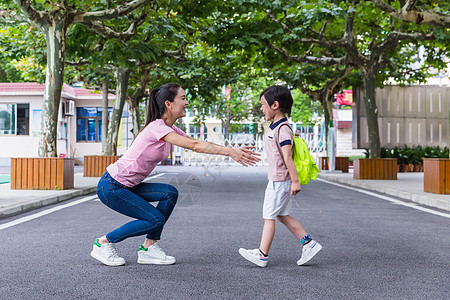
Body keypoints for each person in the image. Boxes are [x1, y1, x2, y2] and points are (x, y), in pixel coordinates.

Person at [91, 83, 260, 266]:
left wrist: (231, 150)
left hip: (128, 185)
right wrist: (230, 152)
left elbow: (195, 142)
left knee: (169, 193)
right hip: (112, 186)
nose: (187, 103)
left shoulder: (168, 129)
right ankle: (103, 243)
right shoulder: (157, 128)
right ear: (168, 104)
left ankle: (149, 247)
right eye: (183, 98)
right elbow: (195, 146)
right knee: (154, 219)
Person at [238, 85, 322, 267]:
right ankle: (309, 243)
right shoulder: (275, 126)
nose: (261, 108)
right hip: (278, 180)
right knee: (281, 215)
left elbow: (287, 156)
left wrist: (295, 181)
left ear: (275, 105)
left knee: (269, 216)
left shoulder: (283, 129)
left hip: (279, 181)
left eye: (263, 105)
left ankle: (262, 255)